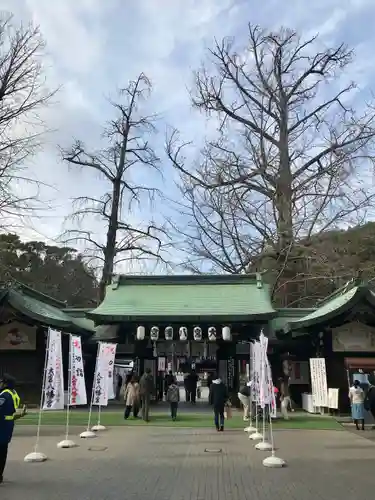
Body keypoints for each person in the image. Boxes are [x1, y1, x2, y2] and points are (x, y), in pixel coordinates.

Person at [0, 374, 27, 484]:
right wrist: (21, 415)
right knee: (3, 451)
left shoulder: (4, 395)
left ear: (5, 383)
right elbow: (11, 413)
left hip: (1, 424)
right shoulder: (14, 394)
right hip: (8, 424)